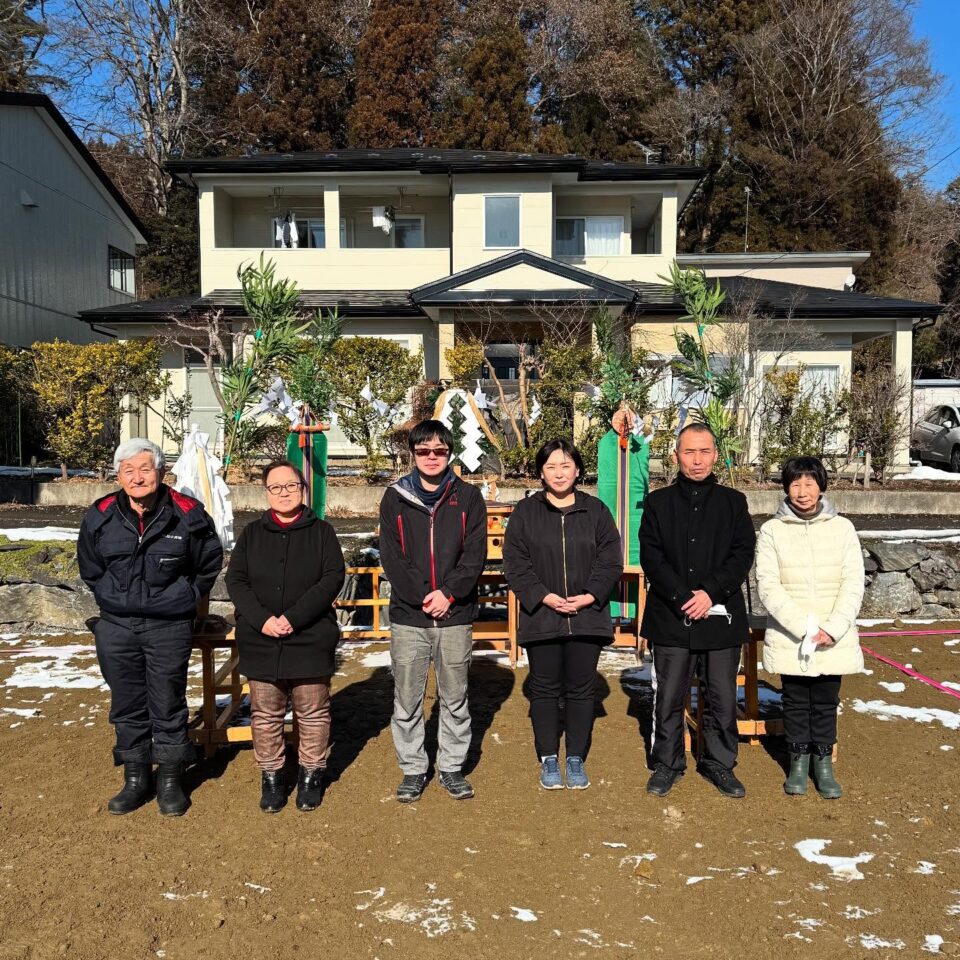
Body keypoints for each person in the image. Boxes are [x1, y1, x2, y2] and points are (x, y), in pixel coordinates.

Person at [77, 438, 223, 817]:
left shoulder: (188, 514)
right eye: (128, 470)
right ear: (118, 476)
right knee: (126, 702)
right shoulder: (100, 515)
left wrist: (185, 596)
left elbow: (207, 563)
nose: (137, 477)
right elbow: (90, 567)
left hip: (169, 625)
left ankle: (170, 779)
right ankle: (135, 778)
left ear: (161, 471)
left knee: (167, 700)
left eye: (145, 469)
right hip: (117, 625)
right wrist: (111, 595)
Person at [639, 423, 756, 799]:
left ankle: (719, 762)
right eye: (689, 452)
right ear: (676, 456)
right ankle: (667, 762)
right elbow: (651, 556)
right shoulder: (658, 503)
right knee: (668, 695)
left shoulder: (733, 503)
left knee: (722, 695)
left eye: (704, 451)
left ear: (716, 455)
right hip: (670, 616)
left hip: (720, 615)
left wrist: (710, 593)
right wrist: (681, 596)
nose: (697, 460)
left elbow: (742, 555)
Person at [225, 461, 346, 813]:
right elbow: (236, 581)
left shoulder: (322, 532)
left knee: (313, 711)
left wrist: (293, 618)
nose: (284, 493)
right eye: (275, 487)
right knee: (265, 713)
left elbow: (331, 578)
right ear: (266, 492)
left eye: (291, 486)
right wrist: (262, 619)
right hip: (261, 638)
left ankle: (311, 774)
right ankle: (272, 776)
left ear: (303, 489)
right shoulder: (252, 533)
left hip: (309, 636)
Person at [503, 439, 623, 790]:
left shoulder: (596, 511)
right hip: (542, 615)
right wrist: (544, 596)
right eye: (551, 467)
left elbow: (610, 560)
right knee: (543, 688)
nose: (559, 473)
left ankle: (575, 756)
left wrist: (589, 596)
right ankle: (548, 757)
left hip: (587, 616)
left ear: (578, 470)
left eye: (566, 465)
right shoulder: (526, 513)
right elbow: (515, 563)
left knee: (581, 689)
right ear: (541, 472)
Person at [378, 420, 487, 803]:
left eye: (439, 450)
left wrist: (449, 594)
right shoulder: (394, 498)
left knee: (455, 697)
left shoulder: (468, 498)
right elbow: (392, 556)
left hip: (455, 615)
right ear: (413, 454)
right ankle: (413, 768)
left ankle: (451, 766)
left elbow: (475, 554)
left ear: (449, 453)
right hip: (410, 615)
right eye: (423, 450)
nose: (431, 457)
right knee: (407, 698)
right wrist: (426, 595)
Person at [755, 456, 864, 798]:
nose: (802, 492)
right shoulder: (772, 531)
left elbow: (853, 582)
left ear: (821, 486)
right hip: (792, 634)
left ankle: (824, 764)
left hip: (833, 633)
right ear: (786, 488)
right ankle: (798, 762)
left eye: (809, 483)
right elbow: (768, 585)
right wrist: (803, 627)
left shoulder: (842, 528)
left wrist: (832, 628)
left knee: (827, 700)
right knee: (796, 700)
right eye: (795, 484)